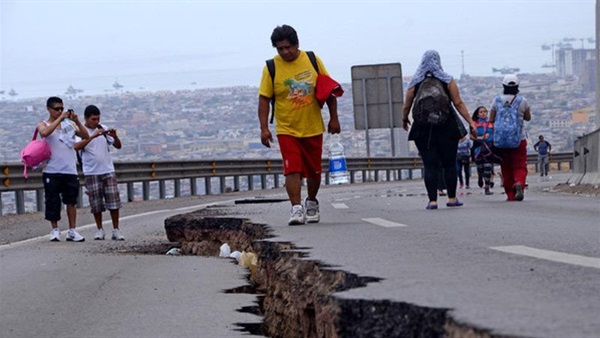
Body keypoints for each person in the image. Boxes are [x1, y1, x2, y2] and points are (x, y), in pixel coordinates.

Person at [257, 24, 340, 225]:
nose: (285, 52)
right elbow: (264, 98)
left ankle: (311, 201)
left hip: (312, 126)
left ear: (297, 44)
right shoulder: (272, 67)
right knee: (291, 168)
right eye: (280, 49)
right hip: (287, 128)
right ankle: (296, 208)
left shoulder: (311, 60)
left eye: (288, 47)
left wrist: (334, 118)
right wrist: (264, 128)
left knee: (314, 171)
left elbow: (328, 88)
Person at [402, 50, 476, 210]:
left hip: (423, 129)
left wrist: (404, 119)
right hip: (446, 127)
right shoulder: (447, 80)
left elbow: (407, 104)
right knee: (449, 164)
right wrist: (470, 121)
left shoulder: (415, 82)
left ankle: (432, 201)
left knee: (430, 165)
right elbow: (458, 103)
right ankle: (451, 198)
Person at [39, 97, 90, 241]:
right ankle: (55, 230)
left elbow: (86, 136)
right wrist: (60, 119)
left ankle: (72, 230)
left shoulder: (70, 125)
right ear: (49, 109)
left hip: (69, 169)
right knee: (52, 201)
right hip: (51, 169)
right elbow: (45, 133)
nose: (60, 111)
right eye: (56, 109)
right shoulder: (43, 124)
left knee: (71, 201)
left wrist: (77, 121)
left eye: (61, 109)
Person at [74, 105, 124, 240]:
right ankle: (99, 229)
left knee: (113, 201)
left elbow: (118, 146)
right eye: (93, 119)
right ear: (86, 118)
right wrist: (92, 136)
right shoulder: (81, 132)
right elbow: (76, 147)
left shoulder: (103, 128)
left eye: (98, 119)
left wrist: (114, 136)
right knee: (96, 203)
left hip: (107, 169)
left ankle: (116, 229)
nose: (96, 122)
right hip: (91, 171)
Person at [489, 74, 531, 201]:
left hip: (501, 140)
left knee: (505, 166)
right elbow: (528, 118)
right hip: (519, 139)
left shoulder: (496, 100)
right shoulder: (522, 101)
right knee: (519, 165)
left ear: (503, 86)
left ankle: (510, 194)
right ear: (517, 87)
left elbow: (491, 119)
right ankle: (519, 183)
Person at [470, 106, 496, 195]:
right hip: (478, 148)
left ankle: (487, 187)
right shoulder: (474, 123)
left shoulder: (491, 123)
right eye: (481, 112)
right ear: (477, 114)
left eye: (485, 111)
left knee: (488, 168)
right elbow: (471, 136)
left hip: (489, 148)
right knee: (480, 168)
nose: (483, 113)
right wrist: (480, 137)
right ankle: (480, 176)